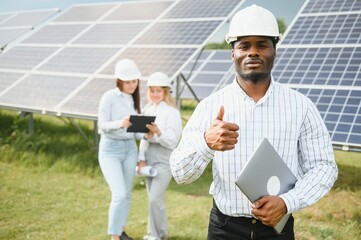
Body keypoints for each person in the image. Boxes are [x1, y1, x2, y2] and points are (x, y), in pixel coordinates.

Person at [170, 4, 338, 240]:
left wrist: (287, 201)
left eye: (262, 45)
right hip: (224, 229)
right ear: (233, 54)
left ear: (274, 51)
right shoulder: (210, 106)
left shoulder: (301, 106)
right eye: (244, 45)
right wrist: (205, 143)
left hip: (277, 229)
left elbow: (324, 167)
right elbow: (180, 173)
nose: (252, 52)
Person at [98, 59, 154, 240]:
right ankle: (114, 237)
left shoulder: (134, 100)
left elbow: (134, 132)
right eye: (128, 81)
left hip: (130, 149)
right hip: (110, 150)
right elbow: (102, 125)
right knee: (119, 194)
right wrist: (119, 123)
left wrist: (146, 134)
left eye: (134, 81)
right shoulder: (109, 97)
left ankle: (120, 231)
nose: (132, 85)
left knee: (127, 194)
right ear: (119, 80)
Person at [137, 72, 183, 240]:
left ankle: (156, 235)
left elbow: (172, 141)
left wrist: (158, 132)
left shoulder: (172, 113)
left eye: (159, 91)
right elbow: (144, 138)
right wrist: (141, 159)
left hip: (164, 161)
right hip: (149, 159)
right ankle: (157, 234)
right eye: (152, 91)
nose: (155, 94)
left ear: (165, 92)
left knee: (154, 200)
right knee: (154, 200)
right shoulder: (147, 110)